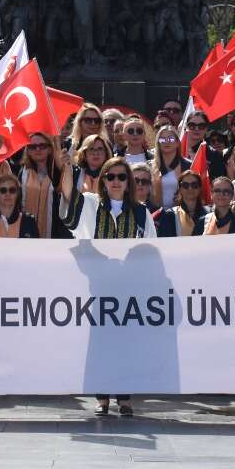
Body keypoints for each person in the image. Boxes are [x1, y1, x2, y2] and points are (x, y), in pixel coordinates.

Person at [58, 154, 155, 417]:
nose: (115, 181)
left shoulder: (141, 212)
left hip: (128, 288)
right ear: (103, 180)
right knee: (99, 343)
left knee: (126, 344)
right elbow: (68, 199)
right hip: (98, 287)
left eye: (121, 177)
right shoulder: (91, 204)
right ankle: (102, 397)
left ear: (129, 182)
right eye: (110, 176)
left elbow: (150, 249)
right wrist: (66, 167)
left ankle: (124, 397)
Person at [0, 167, 41, 238]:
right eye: (3, 190)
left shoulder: (29, 221)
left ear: (17, 193)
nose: (8, 194)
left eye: (12, 190)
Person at [155, 172, 207, 236]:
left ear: (200, 188)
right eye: (185, 185)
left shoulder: (209, 214)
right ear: (180, 189)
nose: (190, 188)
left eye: (194, 185)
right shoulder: (170, 215)